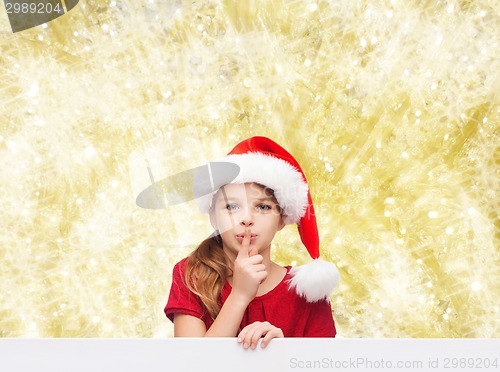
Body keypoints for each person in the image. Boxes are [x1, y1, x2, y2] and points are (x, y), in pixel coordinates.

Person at [164, 136, 340, 349]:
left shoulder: (307, 292)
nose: (246, 219)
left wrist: (282, 352)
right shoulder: (191, 275)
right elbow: (190, 365)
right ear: (213, 217)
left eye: (263, 207)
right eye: (231, 207)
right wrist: (239, 295)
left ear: (282, 219)